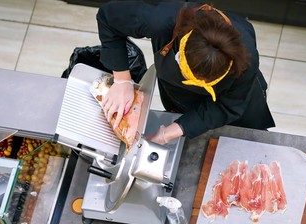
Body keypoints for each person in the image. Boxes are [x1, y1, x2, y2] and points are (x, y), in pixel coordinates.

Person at [96, 1, 275, 145]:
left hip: (234, 103)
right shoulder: (160, 20)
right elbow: (107, 18)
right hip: (179, 96)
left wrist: (171, 131)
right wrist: (122, 81)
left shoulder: (245, 59)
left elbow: (228, 106)